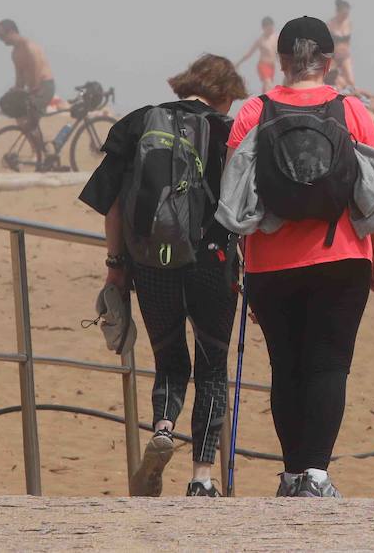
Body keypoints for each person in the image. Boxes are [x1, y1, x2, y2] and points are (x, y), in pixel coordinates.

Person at [221, 16, 374, 499]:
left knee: (286, 365)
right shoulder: (350, 110)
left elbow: (235, 192)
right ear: (328, 60)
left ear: (281, 61)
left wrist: (244, 262)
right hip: (342, 255)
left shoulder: (255, 110)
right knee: (329, 363)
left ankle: (294, 473)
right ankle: (317, 474)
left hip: (270, 261)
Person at [79, 54, 246, 498]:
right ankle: (202, 478)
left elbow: (111, 202)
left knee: (169, 359)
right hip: (212, 261)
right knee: (212, 366)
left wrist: (116, 266)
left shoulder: (138, 123)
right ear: (225, 93)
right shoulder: (230, 130)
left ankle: (164, 430)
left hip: (149, 261)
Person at [0, 20, 56, 167]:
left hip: (44, 87)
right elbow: (20, 77)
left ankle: (41, 152)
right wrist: (16, 90)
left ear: (11, 32)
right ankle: (40, 150)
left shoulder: (29, 46)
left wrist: (32, 90)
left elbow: (37, 68)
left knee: (30, 116)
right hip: (33, 89)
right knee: (19, 115)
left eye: (2, 36)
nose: (1, 40)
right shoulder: (15, 53)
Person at [237, 17, 279, 94]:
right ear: (264, 28)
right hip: (263, 65)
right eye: (268, 28)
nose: (270, 30)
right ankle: (270, 103)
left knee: (266, 87)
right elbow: (249, 53)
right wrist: (238, 63)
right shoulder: (260, 40)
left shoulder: (275, 38)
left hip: (272, 66)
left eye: (271, 27)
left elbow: (278, 54)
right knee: (268, 84)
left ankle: (263, 102)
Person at [326, 0, 356, 90]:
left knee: (350, 80)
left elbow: (347, 42)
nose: (345, 16)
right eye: (343, 14)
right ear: (338, 12)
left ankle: (355, 96)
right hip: (333, 55)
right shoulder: (330, 24)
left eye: (347, 14)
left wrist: (348, 55)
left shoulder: (349, 24)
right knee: (332, 78)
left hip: (344, 55)